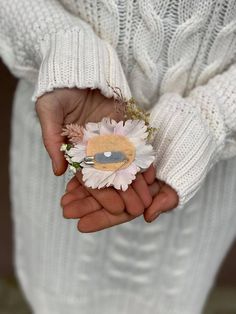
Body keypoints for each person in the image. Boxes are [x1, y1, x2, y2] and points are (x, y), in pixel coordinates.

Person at [1, 0, 236, 313]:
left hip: (203, 170)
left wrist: (215, 114)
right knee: (54, 295)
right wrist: (60, 46)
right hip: (63, 127)